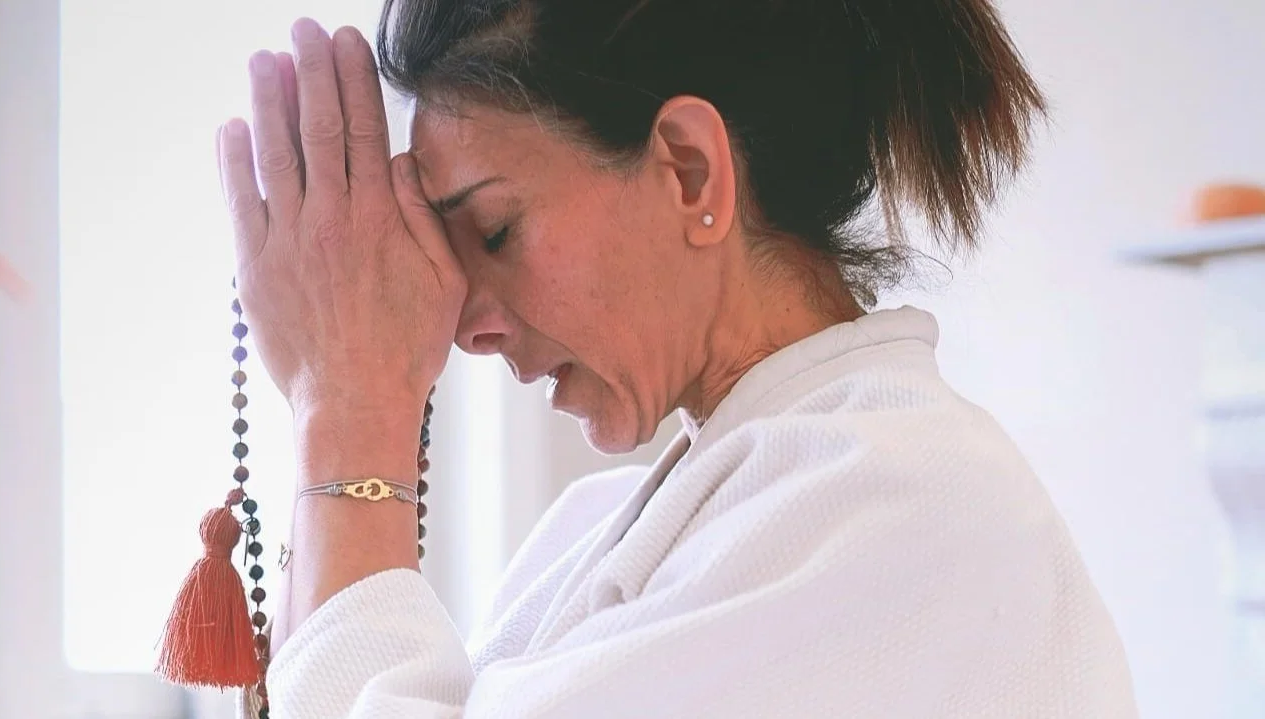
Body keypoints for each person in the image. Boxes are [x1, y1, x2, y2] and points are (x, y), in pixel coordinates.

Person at [218, 0, 1139, 716]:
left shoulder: (901, 508)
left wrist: (352, 411)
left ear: (691, 170)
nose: (466, 325)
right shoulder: (596, 533)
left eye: (495, 230)